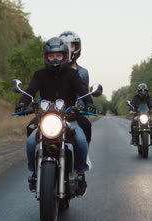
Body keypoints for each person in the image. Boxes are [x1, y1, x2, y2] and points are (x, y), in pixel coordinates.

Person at [15, 37, 93, 196]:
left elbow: (83, 91)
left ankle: (80, 172)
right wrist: (22, 103)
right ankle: (34, 173)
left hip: (68, 117)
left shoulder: (73, 74)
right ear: (46, 57)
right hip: (45, 118)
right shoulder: (40, 74)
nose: (55, 59)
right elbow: (30, 91)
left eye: (58, 55)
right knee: (31, 142)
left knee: (81, 140)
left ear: (65, 56)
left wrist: (89, 102)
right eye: (51, 56)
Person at [59, 31, 93, 145]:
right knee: (32, 129)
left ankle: (83, 161)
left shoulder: (83, 73)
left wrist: (83, 107)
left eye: (71, 46)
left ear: (77, 48)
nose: (68, 49)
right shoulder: (52, 70)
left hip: (73, 114)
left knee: (85, 131)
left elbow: (83, 95)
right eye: (64, 46)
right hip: (53, 114)